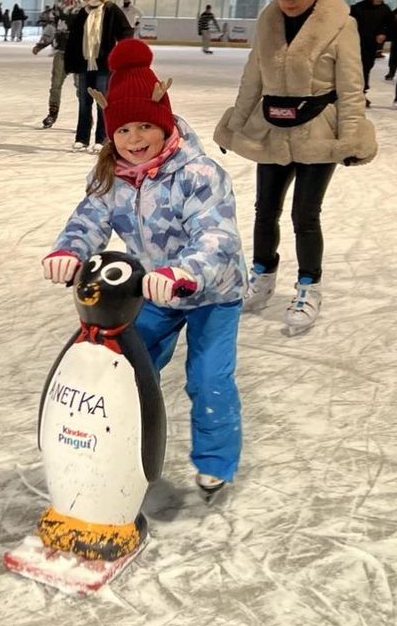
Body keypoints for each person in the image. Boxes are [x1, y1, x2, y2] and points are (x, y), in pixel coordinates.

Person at [43, 38, 246, 500]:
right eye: (123, 131)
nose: (134, 140)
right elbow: (88, 218)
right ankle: (121, 446)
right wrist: (69, 251)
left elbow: (217, 238)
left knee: (208, 378)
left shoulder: (200, 174)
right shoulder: (113, 177)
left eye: (143, 127)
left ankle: (215, 463)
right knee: (125, 367)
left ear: (164, 123)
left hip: (212, 292)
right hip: (155, 291)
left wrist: (185, 273)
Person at [214, 0, 377, 334]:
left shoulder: (341, 27)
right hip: (273, 128)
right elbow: (252, 79)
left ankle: (308, 286)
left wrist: (351, 136)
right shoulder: (268, 24)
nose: (287, 0)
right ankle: (262, 275)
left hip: (317, 130)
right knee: (264, 209)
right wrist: (234, 125)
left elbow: (352, 88)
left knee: (305, 214)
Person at [64, 0, 132, 152]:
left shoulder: (111, 9)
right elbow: (73, 39)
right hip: (85, 65)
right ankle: (82, 138)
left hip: (104, 66)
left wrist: (119, 55)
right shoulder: (83, 12)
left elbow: (126, 32)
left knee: (103, 102)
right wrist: (70, 63)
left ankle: (102, 139)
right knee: (84, 102)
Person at [32, 0, 86, 128]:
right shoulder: (59, 3)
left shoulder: (84, 4)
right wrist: (42, 44)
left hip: (79, 51)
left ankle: (84, 118)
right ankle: (52, 114)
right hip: (61, 49)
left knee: (81, 87)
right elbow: (52, 26)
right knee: (55, 84)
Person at [350, 0, 393, 105]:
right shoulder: (358, 8)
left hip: (371, 46)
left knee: (366, 69)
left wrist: (383, 34)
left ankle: (362, 94)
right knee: (353, 70)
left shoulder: (384, 9)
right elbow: (348, 23)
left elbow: (390, 25)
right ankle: (351, 94)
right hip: (354, 44)